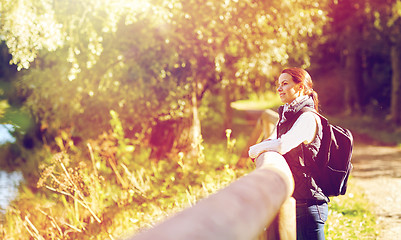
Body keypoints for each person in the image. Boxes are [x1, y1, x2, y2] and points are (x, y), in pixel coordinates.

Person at [248, 67, 328, 240]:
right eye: (278, 84)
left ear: (300, 88)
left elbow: (283, 144)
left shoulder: (307, 118)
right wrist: (264, 146)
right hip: (298, 201)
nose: (279, 88)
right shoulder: (288, 115)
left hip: (309, 205)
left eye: (285, 84)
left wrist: (255, 150)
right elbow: (271, 139)